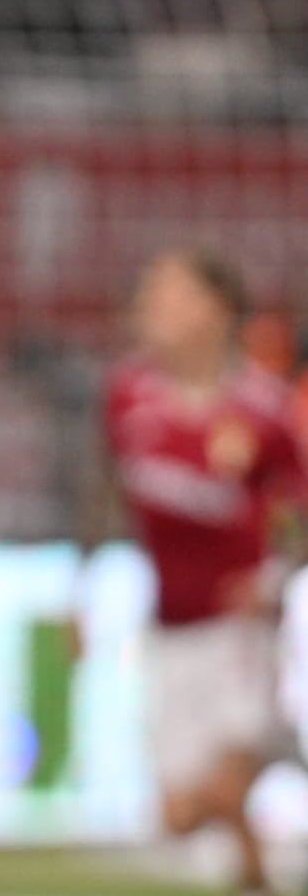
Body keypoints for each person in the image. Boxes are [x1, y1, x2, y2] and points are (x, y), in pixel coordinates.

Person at [101, 250, 308, 896]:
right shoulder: (127, 396)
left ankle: (268, 746)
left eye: (170, 294)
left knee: (223, 782)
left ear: (216, 311)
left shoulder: (265, 407)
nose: (150, 307)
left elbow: (299, 510)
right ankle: (259, 863)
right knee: (178, 818)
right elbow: (104, 491)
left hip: (238, 630)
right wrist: (83, 591)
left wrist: (271, 579)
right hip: (168, 631)